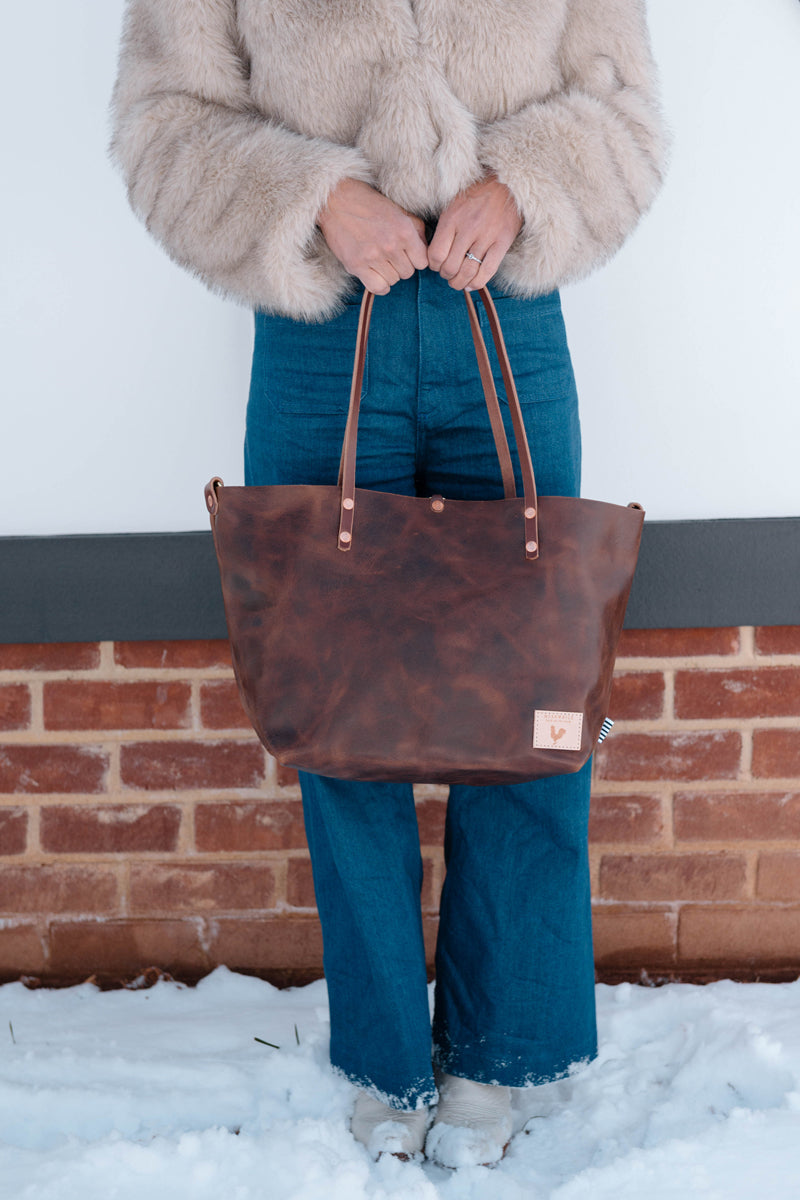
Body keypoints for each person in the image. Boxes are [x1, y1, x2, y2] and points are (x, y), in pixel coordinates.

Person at [111, 0, 665, 1168]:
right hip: (321, 334)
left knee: (530, 697)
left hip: (506, 319)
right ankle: (384, 1058)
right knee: (340, 708)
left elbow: (624, 110)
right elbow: (162, 121)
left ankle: (496, 1053)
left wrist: (520, 187)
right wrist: (315, 196)